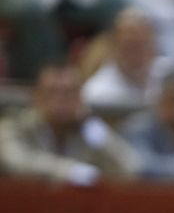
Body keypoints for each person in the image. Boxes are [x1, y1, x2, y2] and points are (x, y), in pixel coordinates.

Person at [0, 64, 140, 185]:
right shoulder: (14, 126)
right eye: (53, 92)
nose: (61, 100)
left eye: (69, 93)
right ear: (37, 97)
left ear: (81, 97)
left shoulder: (88, 131)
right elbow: (17, 163)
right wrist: (71, 171)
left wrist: (94, 128)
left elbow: (130, 167)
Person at [83, 8, 171, 108]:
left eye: (142, 43)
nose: (137, 52)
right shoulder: (96, 94)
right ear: (113, 47)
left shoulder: (170, 75)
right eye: (130, 45)